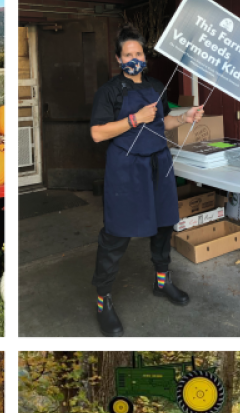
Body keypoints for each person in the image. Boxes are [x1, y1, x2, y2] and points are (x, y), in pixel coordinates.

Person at [88, 24, 206, 338]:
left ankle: (162, 282)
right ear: (118, 59)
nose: (134, 58)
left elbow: (161, 121)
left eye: (138, 53)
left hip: (159, 163)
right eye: (127, 54)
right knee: (116, 235)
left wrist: (184, 118)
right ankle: (103, 301)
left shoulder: (156, 85)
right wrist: (133, 119)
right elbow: (97, 133)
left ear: (145, 56)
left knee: (164, 224)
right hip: (126, 170)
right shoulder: (109, 91)